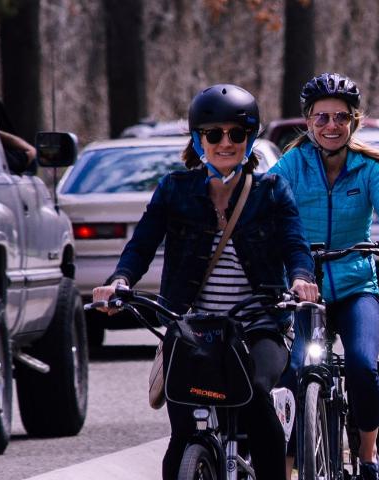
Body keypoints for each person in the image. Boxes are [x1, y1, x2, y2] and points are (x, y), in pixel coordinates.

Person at [92, 84, 318, 480]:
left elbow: (295, 245)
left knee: (258, 399)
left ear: (250, 139)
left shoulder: (271, 191)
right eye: (213, 134)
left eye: (236, 134)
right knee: (182, 434)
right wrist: (120, 282)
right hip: (193, 329)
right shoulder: (174, 190)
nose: (225, 143)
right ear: (198, 141)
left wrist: (301, 279)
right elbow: (141, 245)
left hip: (258, 326)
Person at [272, 72, 379, 480]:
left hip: (355, 286)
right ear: (308, 121)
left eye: (340, 117)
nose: (331, 126)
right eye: (321, 118)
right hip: (303, 288)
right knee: (294, 371)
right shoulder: (293, 164)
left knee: (362, 367)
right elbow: (267, 200)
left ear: (355, 121)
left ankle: (368, 457)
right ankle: (286, 467)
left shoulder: (370, 168)